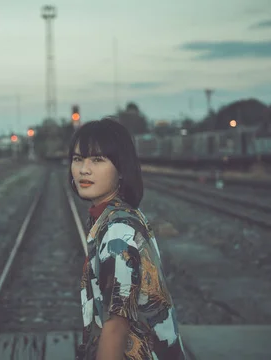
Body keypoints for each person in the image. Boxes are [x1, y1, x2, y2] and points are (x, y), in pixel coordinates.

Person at [71, 118, 186, 360]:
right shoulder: (119, 215)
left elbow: (116, 325)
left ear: (121, 169)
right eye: (78, 158)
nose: (84, 169)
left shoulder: (118, 230)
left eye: (97, 159)